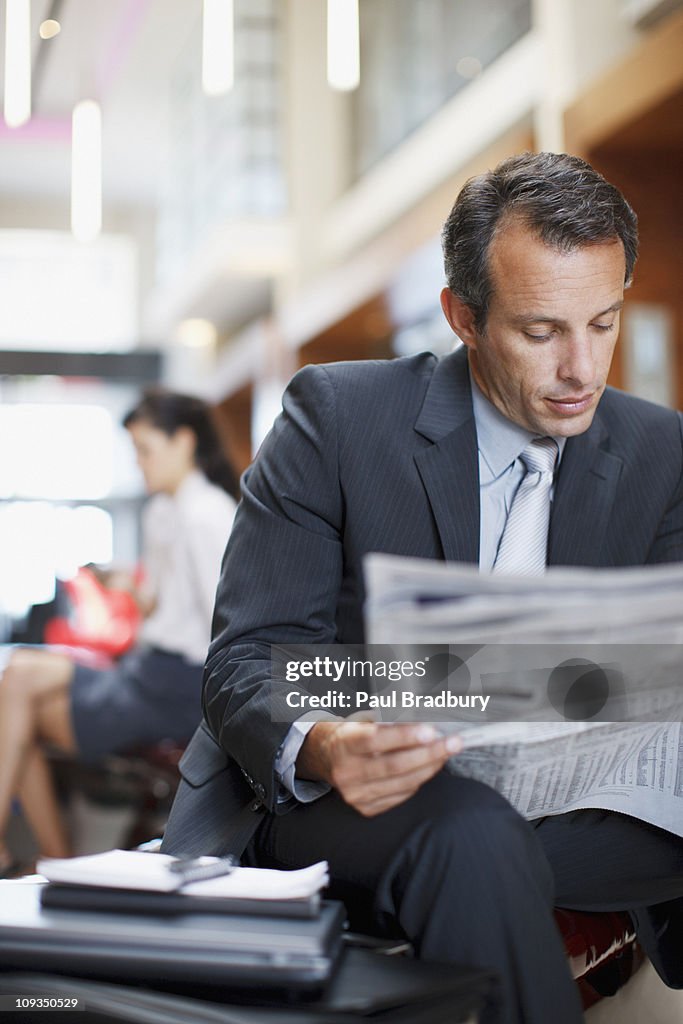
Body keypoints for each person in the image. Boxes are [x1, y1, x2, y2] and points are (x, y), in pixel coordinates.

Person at [161, 153, 683, 1024]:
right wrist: (328, 742)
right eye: (542, 331)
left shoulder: (658, 450)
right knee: (470, 835)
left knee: (494, 836)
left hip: (571, 800)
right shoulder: (335, 418)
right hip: (360, 796)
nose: (582, 369)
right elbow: (246, 662)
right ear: (462, 317)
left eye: (603, 321)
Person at [0, 388, 238, 871]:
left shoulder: (204, 513)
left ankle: (52, 859)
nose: (139, 464)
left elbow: (226, 620)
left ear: (184, 442)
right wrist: (129, 585)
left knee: (17, 685)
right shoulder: (165, 511)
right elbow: (165, 608)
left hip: (178, 683)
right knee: (15, 697)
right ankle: (54, 859)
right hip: (150, 669)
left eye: (145, 450)